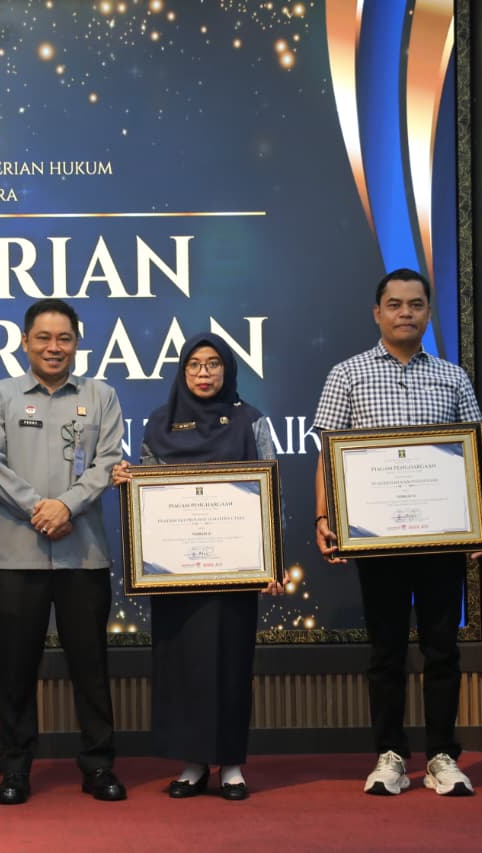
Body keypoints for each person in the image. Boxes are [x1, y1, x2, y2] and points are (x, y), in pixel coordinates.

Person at [311, 268, 482, 797]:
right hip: (377, 539)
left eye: (415, 304)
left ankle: (442, 755)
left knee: (443, 649)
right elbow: (328, 455)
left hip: (442, 537)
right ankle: (390, 754)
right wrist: (323, 518)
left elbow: (477, 452)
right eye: (394, 304)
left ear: (428, 313)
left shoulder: (452, 377)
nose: (405, 313)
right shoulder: (347, 374)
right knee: (386, 651)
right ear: (377, 313)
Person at [111, 334, 283, 800]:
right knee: (182, 665)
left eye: (213, 364)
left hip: (234, 571)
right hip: (176, 572)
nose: (204, 373)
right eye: (194, 364)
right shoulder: (159, 422)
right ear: (182, 370)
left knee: (230, 664)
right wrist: (128, 480)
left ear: (228, 369)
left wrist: (272, 560)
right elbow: (149, 494)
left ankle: (231, 765)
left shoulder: (250, 420)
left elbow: (269, 490)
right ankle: (191, 763)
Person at [0, 298, 127, 805]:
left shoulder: (102, 396)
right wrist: (39, 508)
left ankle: (99, 765)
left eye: (64, 338)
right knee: (17, 669)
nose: (53, 347)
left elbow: (107, 461)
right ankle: (15, 770)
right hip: (17, 556)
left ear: (77, 343)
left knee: (91, 666)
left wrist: (67, 505)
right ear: (25, 342)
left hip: (84, 554)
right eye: (43, 337)